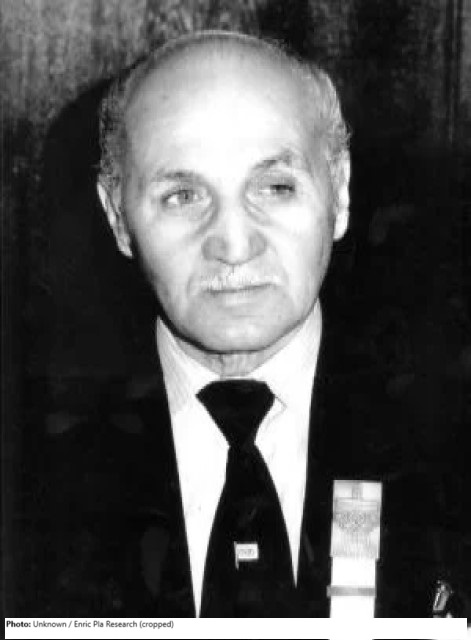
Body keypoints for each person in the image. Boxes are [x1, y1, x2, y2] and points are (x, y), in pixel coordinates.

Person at [36, 31, 469, 618]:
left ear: (339, 193)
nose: (234, 245)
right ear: (117, 217)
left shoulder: (448, 443)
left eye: (275, 187)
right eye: (183, 195)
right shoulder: (36, 469)